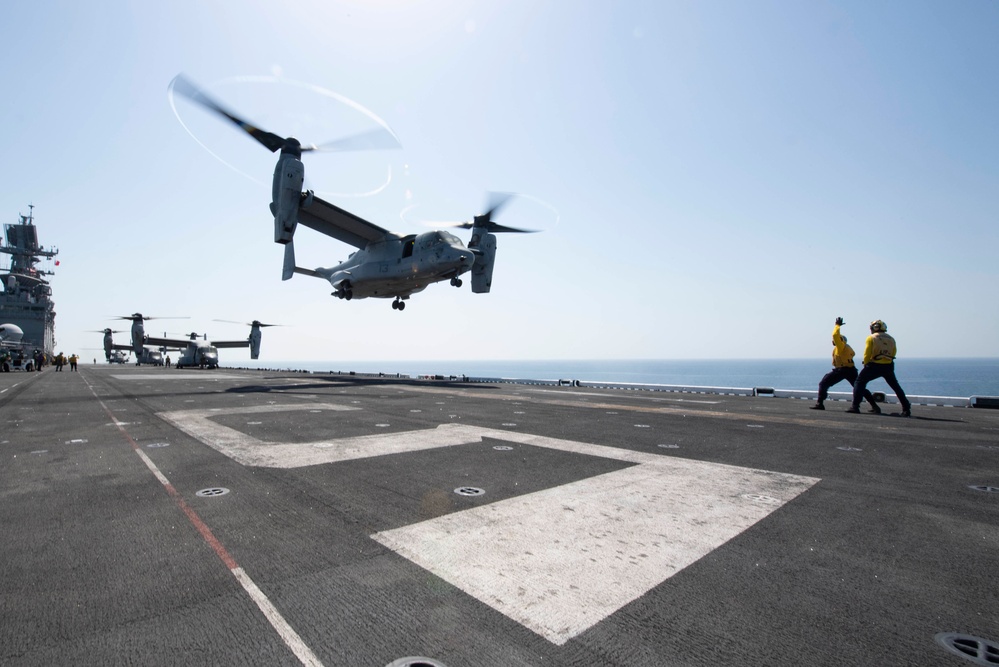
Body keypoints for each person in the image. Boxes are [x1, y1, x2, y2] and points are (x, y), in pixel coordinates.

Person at [811, 317, 879, 412]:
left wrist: (837, 325)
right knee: (859, 388)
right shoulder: (847, 348)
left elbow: (835, 335)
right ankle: (875, 406)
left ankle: (820, 403)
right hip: (851, 370)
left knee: (823, 383)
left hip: (842, 370)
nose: (833, 341)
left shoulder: (840, 347)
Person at [847, 320, 912, 417]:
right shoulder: (891, 338)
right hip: (888, 365)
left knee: (859, 383)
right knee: (895, 386)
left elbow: (867, 352)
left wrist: (866, 362)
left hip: (874, 365)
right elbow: (894, 352)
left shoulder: (871, 338)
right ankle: (906, 408)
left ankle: (855, 406)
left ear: (874, 327)